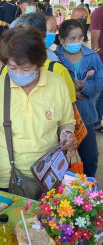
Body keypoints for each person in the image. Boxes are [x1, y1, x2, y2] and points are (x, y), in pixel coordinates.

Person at [0, 26, 76, 199]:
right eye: (12, 67)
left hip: (46, 176)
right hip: (4, 176)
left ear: (39, 62)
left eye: (26, 69)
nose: (18, 74)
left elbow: (66, 122)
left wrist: (67, 136)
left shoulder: (57, 84)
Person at [55, 19, 103, 177]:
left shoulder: (91, 56)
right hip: (61, 118)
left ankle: (88, 190)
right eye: (72, 38)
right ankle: (61, 193)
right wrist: (70, 95)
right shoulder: (55, 59)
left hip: (86, 115)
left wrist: (85, 87)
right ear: (62, 40)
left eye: (80, 38)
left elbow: (99, 83)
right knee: (60, 160)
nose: (77, 42)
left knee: (91, 158)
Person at [1, 13, 76, 104]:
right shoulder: (5, 71)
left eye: (26, 68)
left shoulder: (58, 72)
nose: (18, 72)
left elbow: (68, 112)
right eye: (13, 67)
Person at [90, 5, 103, 133]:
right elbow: (94, 40)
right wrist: (96, 62)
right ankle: (90, 122)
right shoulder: (99, 12)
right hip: (101, 62)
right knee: (96, 94)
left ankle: (97, 121)